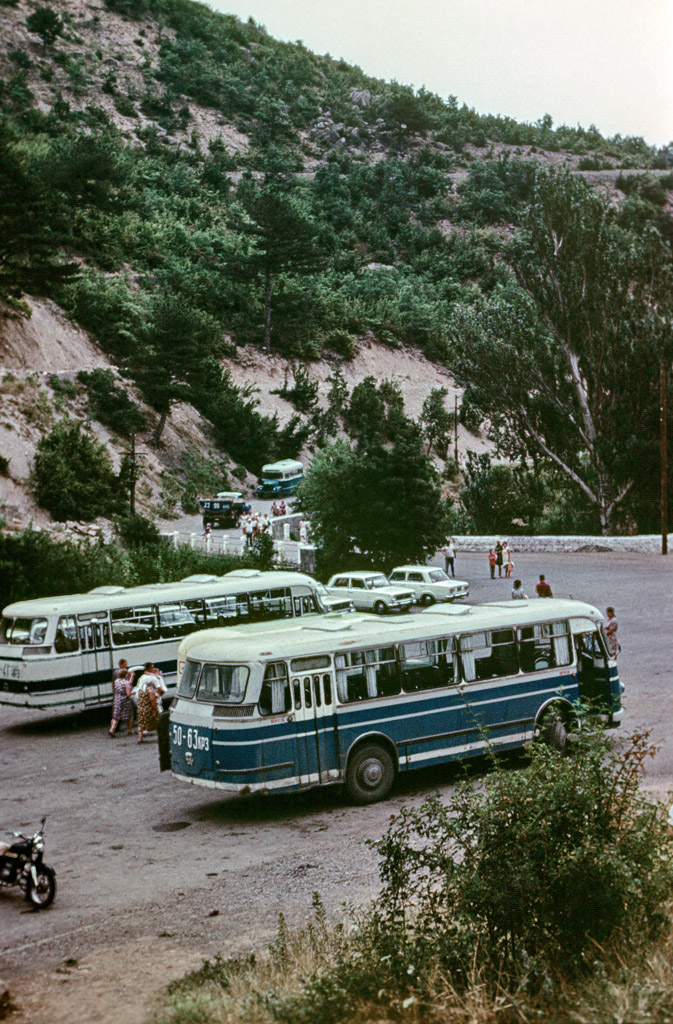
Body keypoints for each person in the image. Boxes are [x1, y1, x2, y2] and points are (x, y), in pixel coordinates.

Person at [135, 663, 164, 744]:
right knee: (158, 722)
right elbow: (152, 699)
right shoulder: (150, 689)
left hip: (141, 707)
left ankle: (140, 739)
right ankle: (160, 737)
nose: (153, 668)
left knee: (141, 723)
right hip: (149, 708)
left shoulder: (141, 683)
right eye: (152, 667)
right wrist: (154, 709)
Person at [109, 669, 134, 737]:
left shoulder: (117, 681)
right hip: (125, 701)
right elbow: (128, 694)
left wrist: (132, 676)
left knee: (116, 716)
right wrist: (133, 693)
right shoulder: (125, 683)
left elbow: (129, 683)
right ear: (125, 675)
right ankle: (130, 730)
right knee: (130, 716)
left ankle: (112, 730)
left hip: (117, 700)